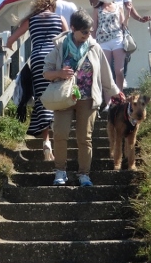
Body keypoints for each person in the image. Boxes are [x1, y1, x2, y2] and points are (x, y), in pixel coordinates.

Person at [43, 10, 124, 186]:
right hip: (63, 97)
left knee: (85, 138)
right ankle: (60, 171)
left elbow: (106, 75)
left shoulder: (95, 48)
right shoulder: (60, 46)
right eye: (84, 31)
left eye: (90, 31)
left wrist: (115, 92)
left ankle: (84, 174)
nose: (88, 35)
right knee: (60, 134)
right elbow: (46, 72)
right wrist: (59, 73)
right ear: (73, 28)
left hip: (87, 98)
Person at [5, 0, 68, 159]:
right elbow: (68, 41)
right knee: (57, 95)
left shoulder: (31, 20)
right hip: (54, 59)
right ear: (52, 5)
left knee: (41, 98)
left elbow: (11, 40)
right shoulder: (59, 18)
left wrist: (8, 48)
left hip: (38, 59)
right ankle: (57, 135)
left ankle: (46, 140)